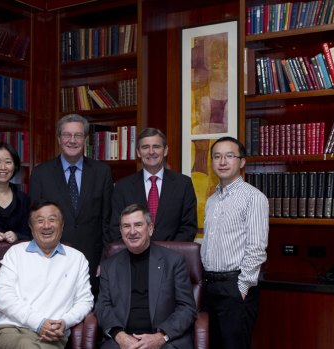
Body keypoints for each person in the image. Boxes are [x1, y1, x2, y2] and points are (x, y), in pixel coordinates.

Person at [0, 200, 94, 349]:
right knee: (26, 346)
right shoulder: (15, 253)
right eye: (40, 221)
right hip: (10, 330)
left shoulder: (77, 259)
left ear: (62, 225)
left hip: (52, 334)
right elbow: (3, 297)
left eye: (52, 220)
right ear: (31, 227)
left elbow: (85, 301)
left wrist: (64, 322)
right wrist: (38, 323)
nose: (46, 226)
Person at [29, 114, 113, 294]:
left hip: (92, 263)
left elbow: (107, 221)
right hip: (50, 261)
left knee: (88, 315)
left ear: (85, 139)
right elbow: (34, 222)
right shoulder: (40, 174)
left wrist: (105, 260)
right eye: (67, 135)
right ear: (59, 138)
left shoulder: (102, 172)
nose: (72, 140)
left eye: (78, 135)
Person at [95, 204, 197, 349]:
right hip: (122, 341)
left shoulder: (174, 261)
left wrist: (160, 337)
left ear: (150, 229)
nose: (132, 231)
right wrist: (120, 335)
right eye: (126, 226)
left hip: (165, 341)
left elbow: (187, 308)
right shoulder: (109, 266)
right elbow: (102, 307)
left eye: (138, 225)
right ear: (121, 231)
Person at [200, 136, 268, 349]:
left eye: (229, 156)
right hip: (209, 287)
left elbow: (256, 247)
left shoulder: (253, 198)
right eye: (217, 157)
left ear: (242, 161)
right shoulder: (212, 200)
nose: (222, 162)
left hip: (235, 288)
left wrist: (243, 287)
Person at [109, 128, 197, 243]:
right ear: (138, 152)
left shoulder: (183, 184)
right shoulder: (122, 187)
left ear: (165, 151)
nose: (151, 152)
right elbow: (116, 228)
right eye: (145, 147)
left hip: (172, 256)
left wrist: (168, 254)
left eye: (156, 146)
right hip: (133, 257)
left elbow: (188, 228)